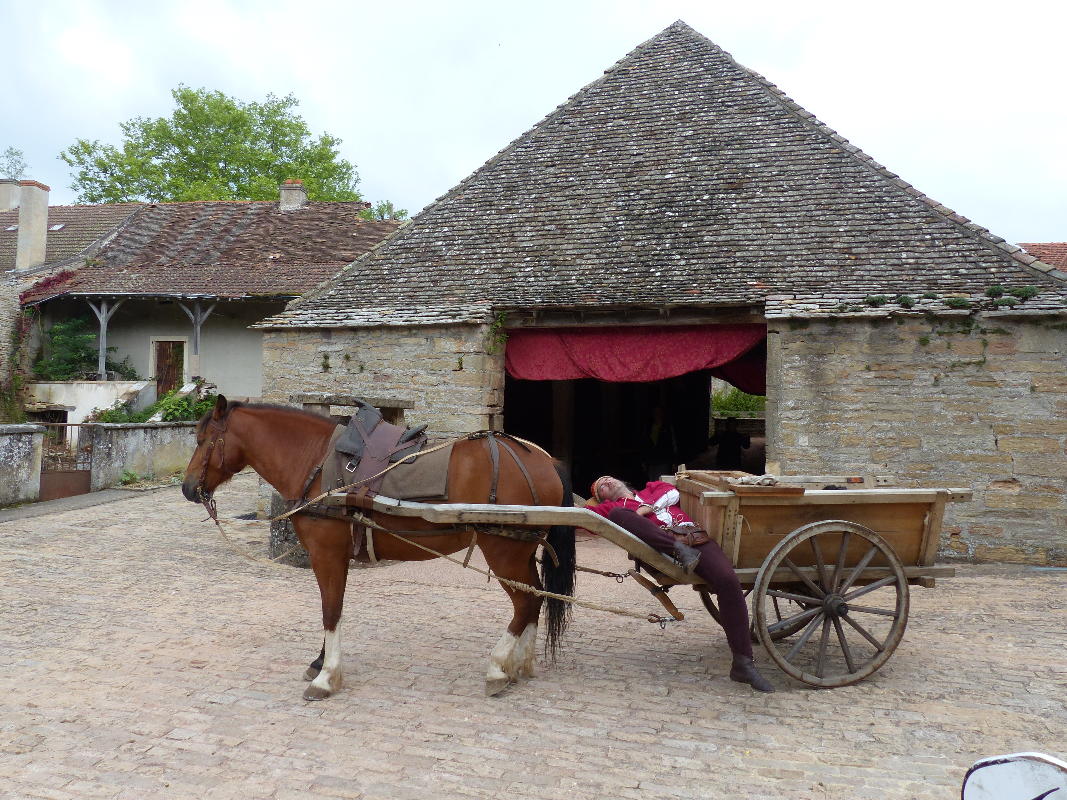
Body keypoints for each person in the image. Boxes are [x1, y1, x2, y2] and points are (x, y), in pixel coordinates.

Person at [587, 475, 774, 692]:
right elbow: (582, 517)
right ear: (602, 498)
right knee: (618, 515)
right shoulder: (612, 507)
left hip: (694, 538)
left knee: (728, 581)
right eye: (601, 487)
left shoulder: (651, 488)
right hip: (663, 548)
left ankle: (743, 663)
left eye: (608, 478)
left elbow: (672, 493)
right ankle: (677, 549)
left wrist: (646, 508)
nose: (607, 482)